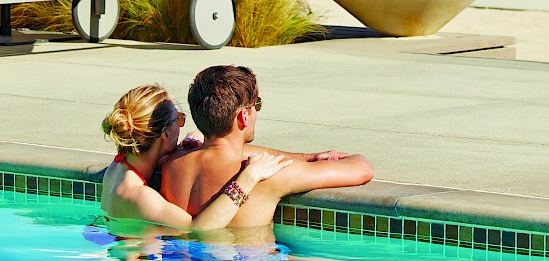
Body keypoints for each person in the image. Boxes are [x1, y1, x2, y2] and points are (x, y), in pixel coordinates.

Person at [160, 66, 374, 227]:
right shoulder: (269, 177)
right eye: (257, 105)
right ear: (244, 116)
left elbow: (227, 151)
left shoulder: (173, 163)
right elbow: (362, 170)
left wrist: (309, 157)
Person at [100, 84, 292, 230]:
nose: (181, 126)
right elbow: (198, 229)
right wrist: (248, 178)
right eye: (179, 119)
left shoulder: (120, 165)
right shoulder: (140, 196)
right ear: (165, 134)